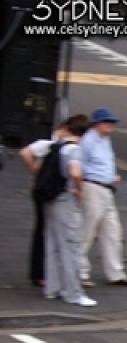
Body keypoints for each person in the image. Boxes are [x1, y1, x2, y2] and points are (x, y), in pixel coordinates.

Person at [39, 114, 96, 307]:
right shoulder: (74, 151)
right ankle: (73, 292)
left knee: (52, 243)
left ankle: (52, 288)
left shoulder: (56, 146)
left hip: (50, 197)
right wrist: (78, 189)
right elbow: (74, 172)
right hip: (65, 198)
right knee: (71, 245)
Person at [78, 107, 127, 287]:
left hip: (106, 188)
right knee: (87, 231)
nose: (111, 125)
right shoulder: (88, 141)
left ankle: (115, 272)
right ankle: (79, 272)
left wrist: (111, 177)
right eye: (107, 122)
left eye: (112, 122)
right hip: (92, 186)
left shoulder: (105, 140)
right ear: (97, 123)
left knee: (112, 231)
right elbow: (79, 164)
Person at [18, 118, 74, 287]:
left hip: (42, 188)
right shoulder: (50, 144)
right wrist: (36, 171)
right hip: (47, 190)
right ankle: (40, 273)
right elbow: (24, 153)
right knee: (45, 229)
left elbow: (25, 153)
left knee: (43, 229)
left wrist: (36, 173)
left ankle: (42, 272)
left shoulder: (51, 144)